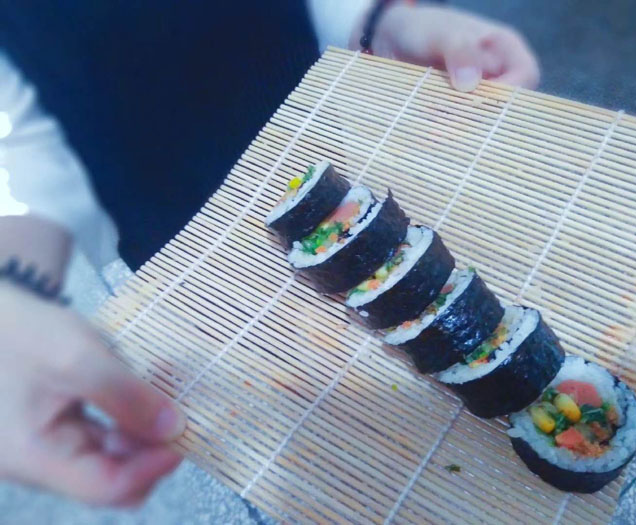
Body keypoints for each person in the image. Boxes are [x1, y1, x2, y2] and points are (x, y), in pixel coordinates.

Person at [0, 0, 539, 507]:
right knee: (301, 450)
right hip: (183, 252)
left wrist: (376, 18)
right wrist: (13, 290)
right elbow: (17, 139)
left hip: (326, 165)